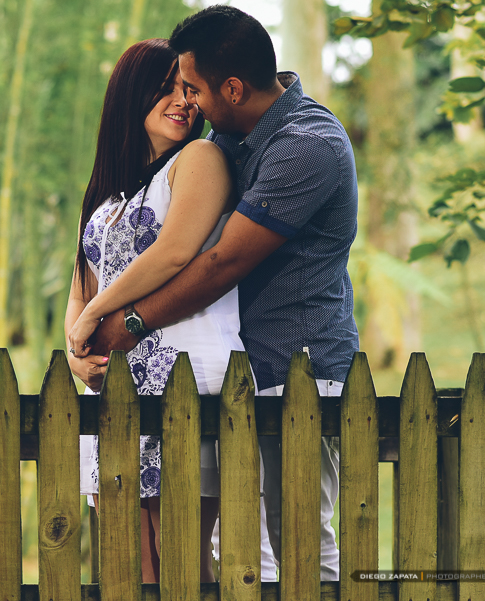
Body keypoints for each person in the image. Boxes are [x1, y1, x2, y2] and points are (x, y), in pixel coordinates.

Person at [80, 6, 360, 582]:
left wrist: (123, 326)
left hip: (298, 369)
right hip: (239, 374)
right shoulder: (229, 136)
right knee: (242, 557)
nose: (189, 103)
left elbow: (218, 263)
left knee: (300, 538)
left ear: (232, 88)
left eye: (193, 89)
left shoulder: (306, 144)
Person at [66, 37, 241, 583]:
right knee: (127, 562)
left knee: (181, 554)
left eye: (189, 90)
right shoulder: (108, 194)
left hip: (185, 373)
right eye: (165, 89)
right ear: (130, 97)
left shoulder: (200, 159)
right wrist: (74, 353)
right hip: (115, 385)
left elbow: (174, 253)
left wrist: (95, 313)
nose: (183, 101)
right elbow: (82, 287)